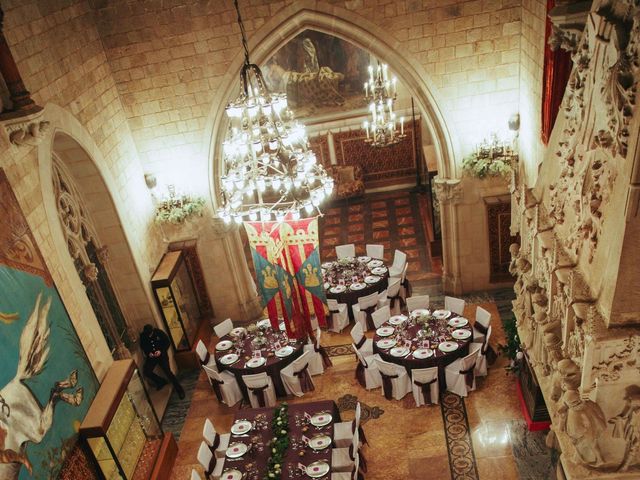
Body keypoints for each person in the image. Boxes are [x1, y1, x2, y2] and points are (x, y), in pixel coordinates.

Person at [139, 324, 185, 399]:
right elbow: (143, 346)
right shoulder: (143, 336)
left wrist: (160, 351)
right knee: (147, 371)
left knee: (168, 372)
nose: (149, 336)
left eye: (150, 334)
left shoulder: (159, 333)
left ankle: (180, 390)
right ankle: (161, 381)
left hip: (162, 356)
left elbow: (167, 342)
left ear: (152, 331)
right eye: (148, 334)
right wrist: (149, 353)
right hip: (152, 357)